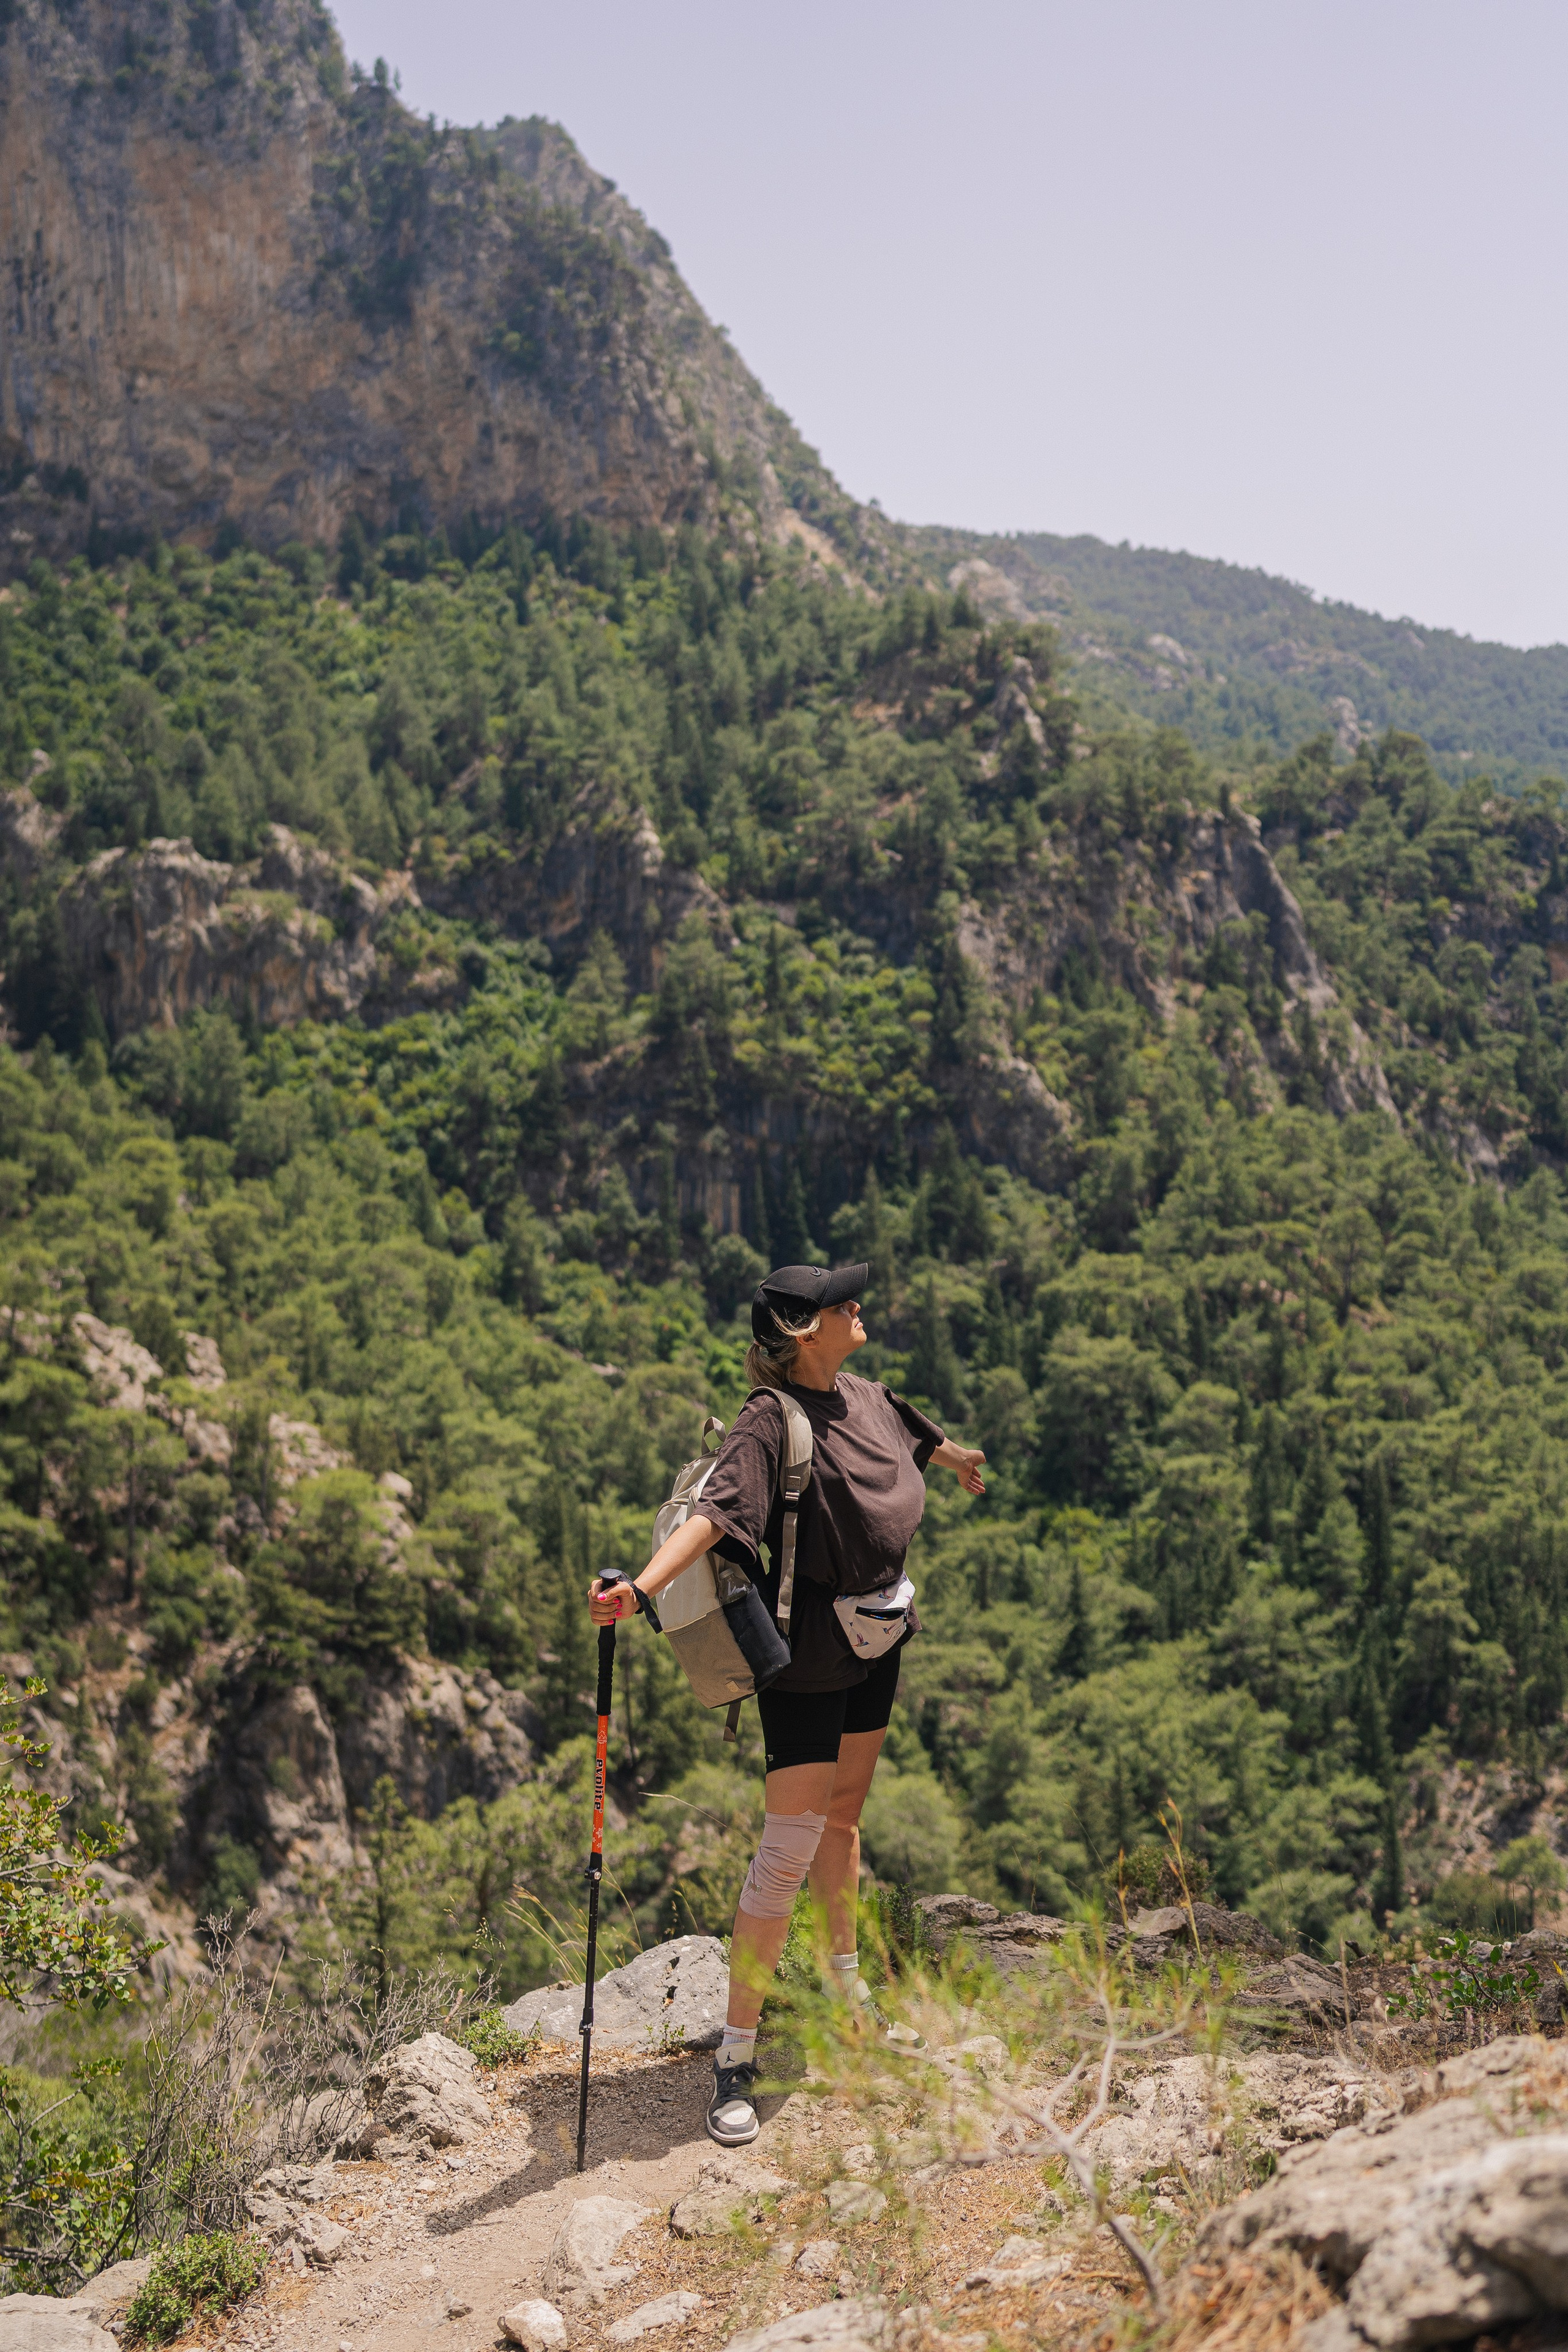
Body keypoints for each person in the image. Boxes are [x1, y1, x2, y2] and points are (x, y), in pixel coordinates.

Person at [588, 1261, 986, 2147]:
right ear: (805, 1329)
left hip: (880, 1639)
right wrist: (641, 1590)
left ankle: (847, 1992)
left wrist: (957, 1459)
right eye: (844, 1301)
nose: (860, 1306)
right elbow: (719, 1516)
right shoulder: (772, 1421)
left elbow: (913, 1436)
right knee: (788, 1851)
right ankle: (735, 2055)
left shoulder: (868, 1394)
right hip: (808, 1658)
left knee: (843, 1825)